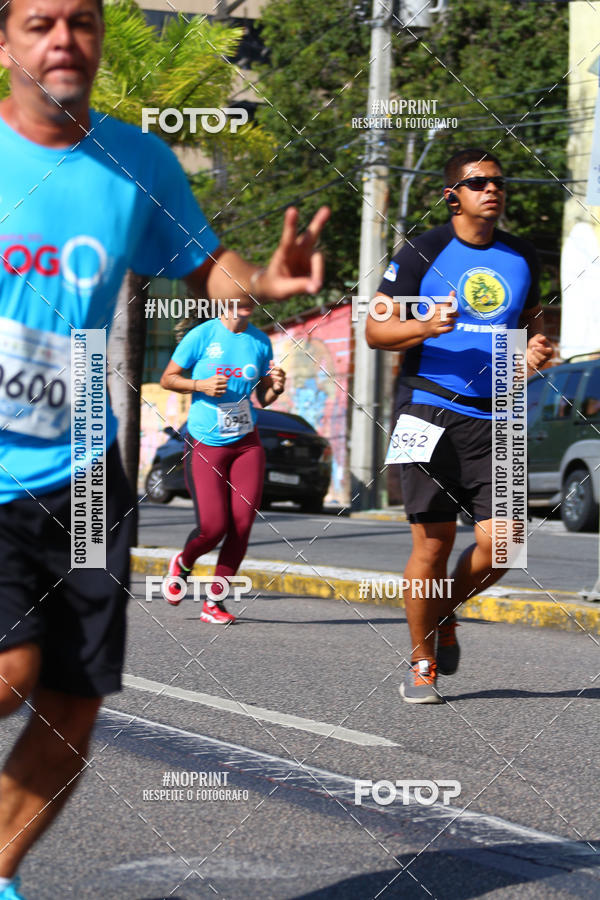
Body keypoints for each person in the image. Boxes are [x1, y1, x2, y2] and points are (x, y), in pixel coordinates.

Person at [0, 0, 329, 895]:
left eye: (81, 21)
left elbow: (204, 262)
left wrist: (263, 278)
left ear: (100, 37)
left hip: (86, 469)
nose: (63, 39)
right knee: (11, 667)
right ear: (6, 42)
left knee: (74, 700)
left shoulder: (135, 161)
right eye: (39, 22)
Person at [366, 148, 553, 704]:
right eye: (477, 183)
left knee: (506, 542)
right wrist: (422, 324)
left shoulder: (522, 255)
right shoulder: (423, 252)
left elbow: (528, 322)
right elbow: (376, 333)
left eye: (497, 182)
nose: (491, 190)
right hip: (425, 410)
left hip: (496, 413)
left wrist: (532, 354)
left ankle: (441, 610)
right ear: (453, 195)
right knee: (434, 542)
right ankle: (422, 659)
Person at [160, 304, 284, 623]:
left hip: (246, 441)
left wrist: (277, 387)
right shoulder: (202, 336)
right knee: (213, 528)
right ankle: (183, 563)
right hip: (205, 441)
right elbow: (168, 379)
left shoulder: (260, 342)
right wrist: (198, 385)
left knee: (241, 526)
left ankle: (214, 604)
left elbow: (264, 397)